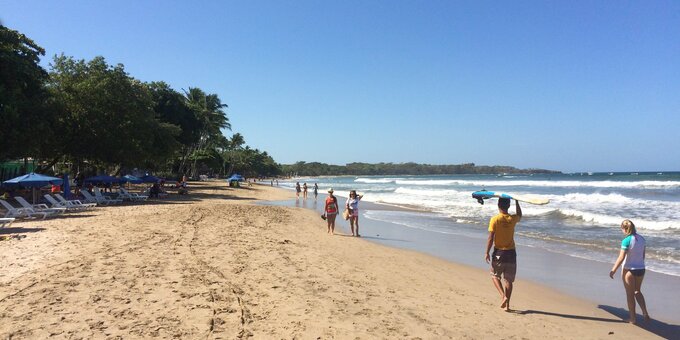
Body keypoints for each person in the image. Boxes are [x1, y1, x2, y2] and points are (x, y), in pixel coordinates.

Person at [609, 219, 650, 324]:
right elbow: (643, 256)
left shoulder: (626, 240)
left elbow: (621, 257)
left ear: (625, 229)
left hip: (629, 270)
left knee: (630, 294)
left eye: (621, 229)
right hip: (641, 269)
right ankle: (645, 312)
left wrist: (613, 270)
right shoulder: (642, 239)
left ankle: (632, 319)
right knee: (637, 291)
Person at [484, 198, 522, 311]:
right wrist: (517, 201)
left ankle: (503, 296)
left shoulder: (495, 219)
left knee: (494, 275)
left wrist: (486, 252)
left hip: (499, 252)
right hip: (511, 253)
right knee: (508, 280)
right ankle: (508, 306)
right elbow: (519, 214)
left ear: (498, 205)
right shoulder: (512, 218)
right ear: (508, 205)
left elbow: (491, 238)